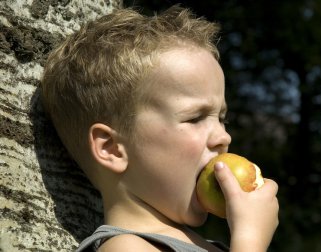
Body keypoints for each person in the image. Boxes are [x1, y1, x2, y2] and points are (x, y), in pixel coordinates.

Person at [41, 5, 279, 252]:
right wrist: (250, 240)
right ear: (112, 148)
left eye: (221, 118)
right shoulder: (125, 248)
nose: (224, 137)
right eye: (195, 118)